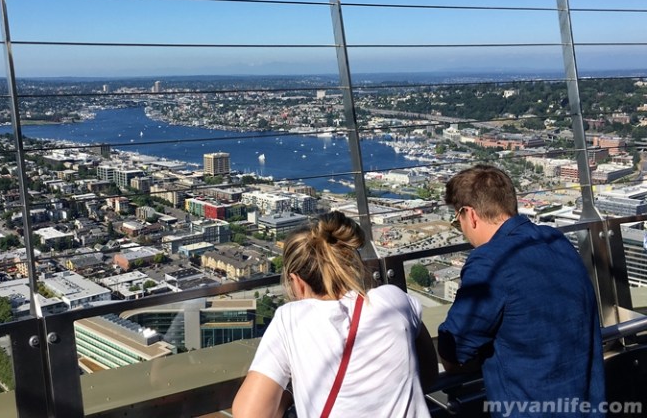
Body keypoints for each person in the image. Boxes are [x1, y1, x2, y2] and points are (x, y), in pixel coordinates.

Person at [233, 211, 437, 418]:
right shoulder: (394, 300)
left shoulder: (291, 319)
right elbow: (429, 375)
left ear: (297, 281)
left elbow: (248, 414)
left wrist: (293, 392)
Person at [438, 164, 605, 416]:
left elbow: (452, 353)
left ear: (470, 215)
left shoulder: (489, 261)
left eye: (456, 221)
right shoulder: (556, 240)